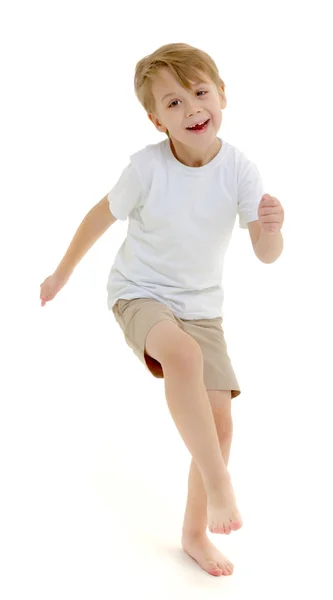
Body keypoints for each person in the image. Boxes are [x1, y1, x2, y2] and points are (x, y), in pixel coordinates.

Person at [39, 42, 285, 577]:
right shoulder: (146, 169)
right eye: (172, 103)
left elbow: (265, 256)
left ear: (222, 95)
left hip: (201, 307)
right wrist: (62, 272)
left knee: (220, 425)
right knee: (182, 356)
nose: (191, 108)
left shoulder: (240, 170)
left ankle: (195, 534)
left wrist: (271, 229)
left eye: (199, 93)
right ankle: (221, 486)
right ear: (155, 120)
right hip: (139, 290)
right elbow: (99, 217)